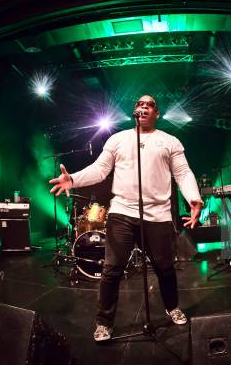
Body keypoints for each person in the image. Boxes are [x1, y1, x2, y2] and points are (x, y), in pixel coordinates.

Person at [49, 95, 203, 342]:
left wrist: (193, 198)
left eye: (149, 104)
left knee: (165, 268)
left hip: (158, 215)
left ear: (157, 114)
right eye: (140, 104)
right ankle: (104, 322)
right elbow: (100, 169)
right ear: (135, 111)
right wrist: (74, 179)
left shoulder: (169, 141)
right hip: (122, 212)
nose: (143, 106)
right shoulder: (118, 139)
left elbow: (182, 173)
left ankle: (172, 306)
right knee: (112, 270)